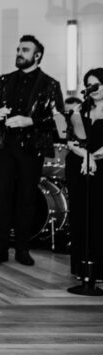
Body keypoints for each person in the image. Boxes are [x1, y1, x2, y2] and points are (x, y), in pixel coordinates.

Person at [0, 35, 64, 266]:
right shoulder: (4, 80)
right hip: (5, 146)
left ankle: (22, 249)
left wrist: (30, 121)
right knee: (2, 196)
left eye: (25, 50)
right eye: (18, 49)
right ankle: (0, 249)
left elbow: (57, 119)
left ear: (37, 55)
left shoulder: (50, 84)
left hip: (32, 148)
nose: (19, 52)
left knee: (26, 199)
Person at [65, 68, 102, 282]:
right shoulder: (81, 110)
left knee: (99, 216)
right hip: (79, 167)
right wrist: (86, 156)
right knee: (80, 215)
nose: (93, 88)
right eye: (89, 84)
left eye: (97, 84)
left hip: (100, 166)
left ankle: (100, 269)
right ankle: (82, 267)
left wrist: (95, 157)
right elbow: (70, 140)